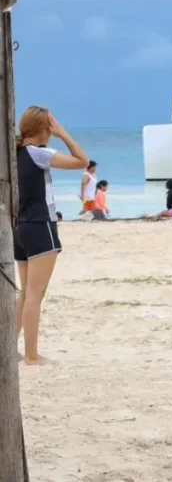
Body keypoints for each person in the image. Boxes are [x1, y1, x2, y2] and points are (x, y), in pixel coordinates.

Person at [14, 107, 90, 365]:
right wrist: (63, 134)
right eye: (50, 127)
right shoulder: (39, 153)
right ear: (44, 128)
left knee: (25, 293)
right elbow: (82, 161)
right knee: (36, 294)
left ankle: (10, 349)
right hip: (40, 225)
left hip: (19, 227)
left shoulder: (15, 153)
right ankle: (32, 356)